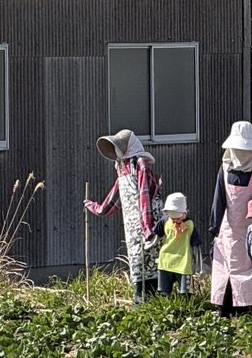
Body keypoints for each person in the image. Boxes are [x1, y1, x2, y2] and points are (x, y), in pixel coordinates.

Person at [85, 128, 159, 304]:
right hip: (133, 224)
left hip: (148, 220)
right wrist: (95, 207)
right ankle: (141, 300)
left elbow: (144, 195)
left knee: (151, 261)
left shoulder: (140, 163)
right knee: (136, 260)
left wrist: (147, 227)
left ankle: (151, 301)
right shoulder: (123, 167)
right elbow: (115, 199)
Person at [207, 121, 252, 316]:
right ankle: (225, 307)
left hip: (248, 229)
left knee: (245, 267)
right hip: (228, 227)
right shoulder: (225, 169)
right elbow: (219, 199)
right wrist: (214, 228)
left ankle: (246, 307)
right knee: (226, 268)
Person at [152, 192, 202, 296]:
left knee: (186, 293)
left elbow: (196, 246)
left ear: (184, 213)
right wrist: (148, 242)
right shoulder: (165, 221)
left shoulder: (190, 225)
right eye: (172, 216)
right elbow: (155, 236)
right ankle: (166, 309)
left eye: (177, 216)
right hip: (166, 261)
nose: (175, 220)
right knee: (163, 292)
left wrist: (198, 265)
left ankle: (185, 309)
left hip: (184, 263)